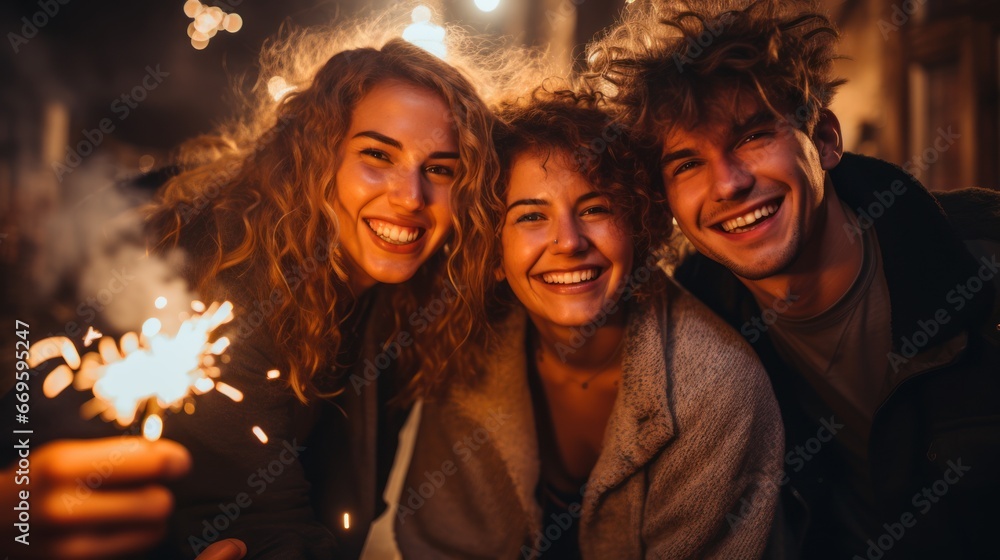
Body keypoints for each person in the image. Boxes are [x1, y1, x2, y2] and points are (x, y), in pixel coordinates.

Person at [1, 19, 501, 559]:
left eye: (442, 170)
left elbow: (343, 506)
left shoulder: (399, 299)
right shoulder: (224, 279)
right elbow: (260, 528)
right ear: (319, 158)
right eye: (377, 156)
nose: (410, 196)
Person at [586, 1, 1000, 558]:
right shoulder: (692, 329)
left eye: (752, 137)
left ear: (825, 140)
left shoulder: (982, 257)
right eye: (687, 164)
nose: (728, 183)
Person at [394, 90, 784, 559]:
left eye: (595, 208)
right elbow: (440, 545)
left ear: (639, 227)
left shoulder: (718, 386)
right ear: (493, 253)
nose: (568, 242)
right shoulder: (470, 347)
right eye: (532, 216)